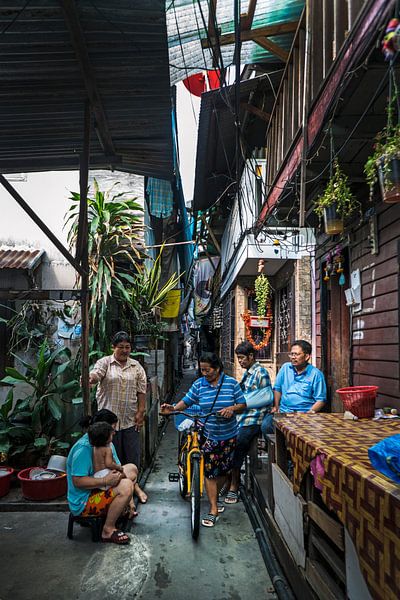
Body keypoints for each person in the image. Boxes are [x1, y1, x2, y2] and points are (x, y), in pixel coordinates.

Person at [161, 352, 246, 528]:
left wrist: (232, 408)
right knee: (209, 471)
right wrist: (174, 409)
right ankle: (213, 508)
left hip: (229, 435)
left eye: (208, 370)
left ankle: (215, 495)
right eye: (202, 370)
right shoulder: (199, 384)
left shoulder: (231, 384)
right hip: (208, 433)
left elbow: (242, 404)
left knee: (223, 470)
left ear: (217, 369)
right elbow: (187, 401)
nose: (205, 373)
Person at [88, 331, 148, 504]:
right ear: (113, 347)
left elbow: (141, 392)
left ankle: (131, 489)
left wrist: (140, 412)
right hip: (108, 425)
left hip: (130, 420)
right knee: (111, 461)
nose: (124, 350)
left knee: (132, 458)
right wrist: (89, 378)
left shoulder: (136, 366)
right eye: (120, 347)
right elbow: (95, 374)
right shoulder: (105, 363)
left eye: (127, 347)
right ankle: (121, 494)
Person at [66, 409, 139, 545]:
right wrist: (106, 480)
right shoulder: (83, 449)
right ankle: (108, 529)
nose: (115, 433)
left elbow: (116, 466)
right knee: (127, 485)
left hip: (99, 486)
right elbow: (77, 481)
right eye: (112, 430)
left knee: (131, 468)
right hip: (84, 501)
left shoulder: (104, 443)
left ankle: (124, 504)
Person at [222, 341, 273, 504]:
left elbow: (266, 398)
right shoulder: (247, 373)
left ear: (251, 356)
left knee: (238, 443)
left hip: (255, 419)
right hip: (242, 417)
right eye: (238, 358)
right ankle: (229, 478)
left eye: (243, 358)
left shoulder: (260, 373)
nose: (240, 361)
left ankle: (234, 484)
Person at [262, 340, 327, 436]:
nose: (293, 357)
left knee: (298, 432)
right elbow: (278, 388)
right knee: (266, 425)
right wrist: (276, 407)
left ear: (306, 356)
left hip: (304, 415)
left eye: (296, 354)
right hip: (284, 413)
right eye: (291, 354)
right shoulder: (285, 368)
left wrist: (309, 412)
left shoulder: (316, 374)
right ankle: (278, 450)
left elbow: (321, 400)